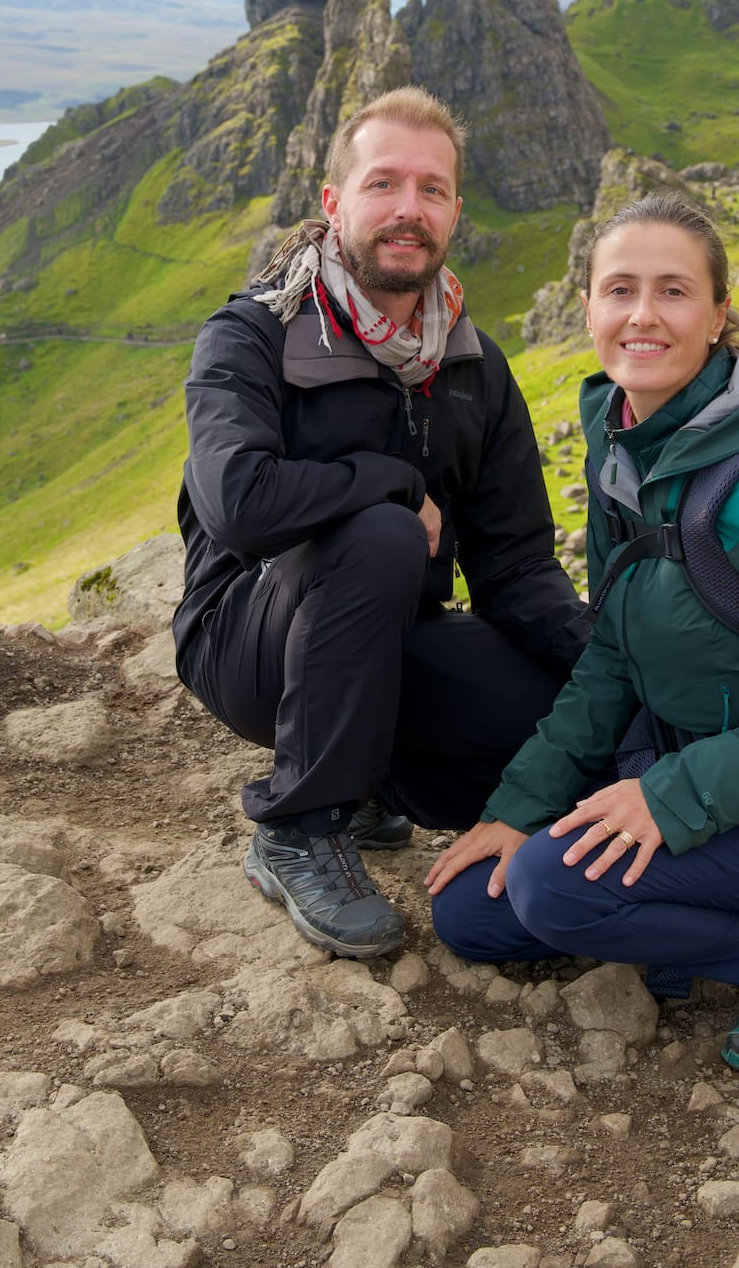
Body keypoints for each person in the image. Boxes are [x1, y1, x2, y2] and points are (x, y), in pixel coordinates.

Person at [426, 194, 739, 1077]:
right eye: (619, 289)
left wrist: (667, 798)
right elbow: (611, 654)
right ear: (588, 307)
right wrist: (513, 810)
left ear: (718, 313)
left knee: (547, 888)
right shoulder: (624, 452)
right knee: (473, 911)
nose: (641, 315)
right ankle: (677, 931)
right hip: (685, 772)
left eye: (673, 292)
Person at [171, 86, 589, 962]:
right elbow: (237, 505)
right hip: (246, 641)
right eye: (383, 184)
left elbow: (515, 568)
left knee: (560, 717)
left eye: (432, 190)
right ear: (334, 203)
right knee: (381, 530)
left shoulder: (473, 365)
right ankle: (298, 825)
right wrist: (391, 483)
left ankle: (366, 783)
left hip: (391, 642)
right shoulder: (252, 335)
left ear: (454, 212)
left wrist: (604, 670)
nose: (409, 209)